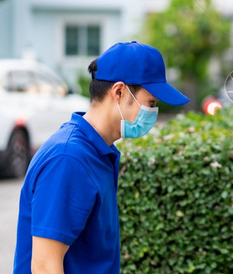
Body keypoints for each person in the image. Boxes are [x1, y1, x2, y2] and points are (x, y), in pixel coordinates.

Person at [13, 41, 189, 274]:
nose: (153, 113)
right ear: (118, 91)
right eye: (151, 103)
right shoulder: (69, 159)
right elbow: (45, 266)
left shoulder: (98, 152)